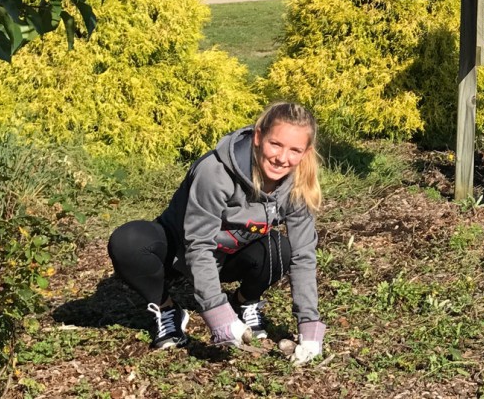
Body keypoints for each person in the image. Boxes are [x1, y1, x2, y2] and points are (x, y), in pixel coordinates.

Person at [106, 102, 326, 365]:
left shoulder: (298, 184)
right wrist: (216, 315)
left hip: (228, 255)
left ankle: (242, 302)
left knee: (284, 249)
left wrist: (310, 325)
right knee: (128, 242)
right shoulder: (215, 171)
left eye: (295, 150)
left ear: (306, 152)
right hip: (181, 252)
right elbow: (198, 245)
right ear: (258, 137)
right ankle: (167, 310)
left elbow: (304, 255)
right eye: (275, 144)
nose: (282, 158)